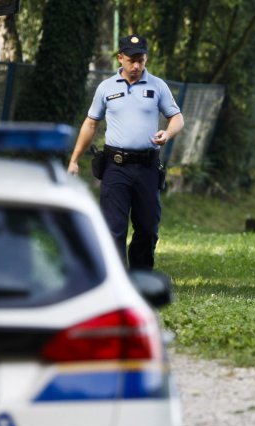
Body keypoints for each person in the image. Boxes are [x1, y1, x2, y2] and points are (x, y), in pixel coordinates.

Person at [67, 34, 184, 270]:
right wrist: (74, 160)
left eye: (141, 60)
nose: (136, 66)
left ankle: (141, 279)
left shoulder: (158, 86)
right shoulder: (106, 88)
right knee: (113, 229)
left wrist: (167, 134)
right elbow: (91, 124)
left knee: (148, 227)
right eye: (131, 60)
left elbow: (177, 118)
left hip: (147, 168)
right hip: (115, 167)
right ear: (120, 58)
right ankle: (117, 282)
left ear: (146, 58)